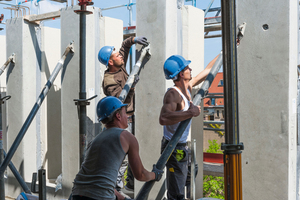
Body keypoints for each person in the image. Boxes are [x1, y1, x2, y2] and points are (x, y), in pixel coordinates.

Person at [72, 96, 163, 200]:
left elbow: (100, 181)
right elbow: (140, 174)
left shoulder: (95, 140)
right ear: (118, 116)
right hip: (100, 197)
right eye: (125, 113)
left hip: (77, 194)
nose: (127, 116)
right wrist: (155, 175)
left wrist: (123, 198)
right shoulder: (126, 137)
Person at [159, 54, 218, 200]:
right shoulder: (173, 94)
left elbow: (208, 70)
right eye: (187, 68)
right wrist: (190, 112)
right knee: (177, 192)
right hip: (173, 148)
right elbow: (164, 118)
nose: (190, 69)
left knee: (192, 171)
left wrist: (223, 51)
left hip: (182, 145)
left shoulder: (188, 88)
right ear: (180, 73)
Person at [98, 36, 148, 192]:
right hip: (122, 123)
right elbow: (120, 100)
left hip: (132, 118)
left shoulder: (119, 66)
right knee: (122, 159)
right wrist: (131, 86)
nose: (120, 56)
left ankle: (131, 185)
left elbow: (125, 47)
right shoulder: (109, 81)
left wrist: (134, 39)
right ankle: (114, 190)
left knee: (135, 154)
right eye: (116, 55)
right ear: (110, 62)